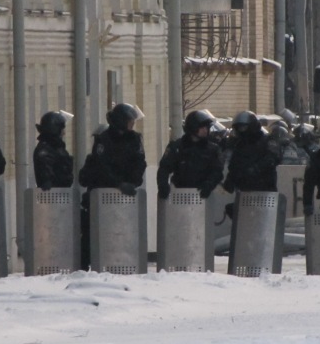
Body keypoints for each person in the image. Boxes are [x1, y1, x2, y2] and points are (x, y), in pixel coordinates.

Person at [78, 103, 148, 269]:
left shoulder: (135, 139)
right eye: (130, 121)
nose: (132, 124)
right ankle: (86, 267)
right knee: (94, 233)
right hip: (104, 192)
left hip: (127, 192)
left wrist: (133, 182)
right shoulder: (104, 139)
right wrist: (118, 184)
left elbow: (140, 162)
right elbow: (101, 166)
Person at [157, 110, 225, 200]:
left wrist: (209, 184)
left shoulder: (212, 149)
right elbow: (164, 168)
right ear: (193, 127)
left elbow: (217, 171)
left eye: (207, 127)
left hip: (204, 195)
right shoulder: (177, 147)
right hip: (180, 194)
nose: (205, 130)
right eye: (202, 127)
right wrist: (163, 185)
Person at [222, 111, 282, 194]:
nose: (241, 131)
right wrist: (231, 179)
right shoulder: (240, 145)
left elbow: (273, 158)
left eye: (243, 127)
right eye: (238, 128)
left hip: (265, 189)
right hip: (244, 191)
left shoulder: (267, 141)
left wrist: (255, 169)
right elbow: (234, 164)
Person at [32, 111, 74, 190]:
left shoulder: (55, 148)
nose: (64, 133)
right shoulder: (45, 152)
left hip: (62, 193)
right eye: (62, 129)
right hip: (53, 195)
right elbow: (48, 180)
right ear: (55, 130)